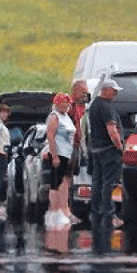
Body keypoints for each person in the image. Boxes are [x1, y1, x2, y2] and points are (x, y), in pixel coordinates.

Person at [86, 78, 124, 254]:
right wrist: (120, 147)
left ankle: (96, 210)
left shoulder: (94, 105)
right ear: (106, 90)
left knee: (98, 181)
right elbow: (112, 130)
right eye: (114, 90)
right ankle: (110, 213)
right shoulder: (106, 107)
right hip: (109, 150)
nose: (116, 94)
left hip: (96, 149)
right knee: (110, 182)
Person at [42, 92, 78, 227]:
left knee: (64, 182)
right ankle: (54, 210)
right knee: (55, 182)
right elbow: (51, 136)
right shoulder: (54, 116)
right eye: (64, 104)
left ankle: (64, 210)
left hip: (67, 153)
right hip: (58, 152)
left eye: (68, 104)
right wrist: (54, 155)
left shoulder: (66, 117)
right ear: (57, 104)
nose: (67, 106)